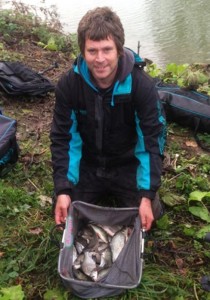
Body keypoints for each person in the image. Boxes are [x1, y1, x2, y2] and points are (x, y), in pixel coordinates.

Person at [50, 6, 167, 231]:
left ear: (119, 50)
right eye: (92, 51)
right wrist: (63, 189)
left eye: (107, 49)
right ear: (83, 52)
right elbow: (64, 139)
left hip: (127, 165)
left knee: (152, 211)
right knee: (66, 209)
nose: (100, 59)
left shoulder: (141, 86)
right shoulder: (70, 85)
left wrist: (146, 193)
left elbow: (151, 142)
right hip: (89, 164)